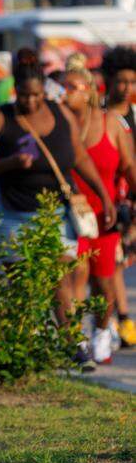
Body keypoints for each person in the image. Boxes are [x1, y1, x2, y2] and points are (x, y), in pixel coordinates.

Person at [0, 60, 114, 340]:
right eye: (25, 94)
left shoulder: (60, 114)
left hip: (56, 212)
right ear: (15, 90)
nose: (31, 100)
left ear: (44, 92)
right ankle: (27, 341)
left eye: (37, 94)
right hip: (12, 212)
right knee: (22, 284)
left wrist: (104, 196)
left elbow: (80, 157)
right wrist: (10, 163)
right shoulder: (0, 118)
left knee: (60, 276)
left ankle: (71, 342)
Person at [63, 65, 136, 364]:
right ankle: (75, 340)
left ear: (89, 91)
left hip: (103, 218)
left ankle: (103, 330)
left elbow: (130, 168)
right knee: (74, 275)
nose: (63, 93)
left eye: (71, 88)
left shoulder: (112, 125)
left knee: (104, 281)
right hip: (69, 216)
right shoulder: (58, 123)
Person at [101, 46, 136, 347]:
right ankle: (117, 320)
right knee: (111, 264)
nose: (127, 89)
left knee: (118, 263)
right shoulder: (98, 116)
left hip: (131, 200)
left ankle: (118, 319)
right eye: (121, 81)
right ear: (108, 80)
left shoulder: (134, 116)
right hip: (108, 199)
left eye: (133, 82)